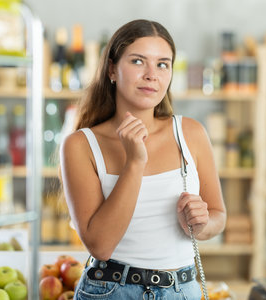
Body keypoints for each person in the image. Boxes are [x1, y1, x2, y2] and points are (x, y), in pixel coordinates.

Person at [59, 19, 226, 299]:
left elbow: (218, 217)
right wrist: (134, 162)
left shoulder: (190, 133)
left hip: (182, 290)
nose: (152, 75)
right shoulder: (80, 145)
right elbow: (100, 246)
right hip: (111, 291)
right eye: (138, 61)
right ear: (112, 69)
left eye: (163, 64)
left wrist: (202, 224)